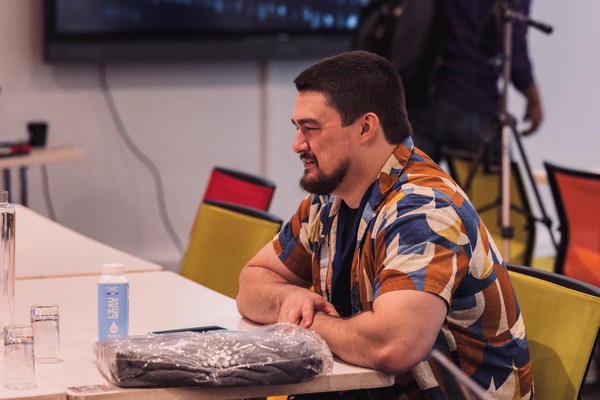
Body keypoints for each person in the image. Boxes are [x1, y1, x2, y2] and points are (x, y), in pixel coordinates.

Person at [236, 50, 533, 399]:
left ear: (366, 127)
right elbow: (251, 282)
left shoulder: (423, 209)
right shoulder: (330, 199)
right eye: (297, 128)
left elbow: (394, 345)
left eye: (310, 129)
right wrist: (291, 298)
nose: (297, 144)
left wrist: (309, 324)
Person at [407, 0, 543, 163]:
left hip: (428, 95)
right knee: (496, 178)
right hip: (477, 105)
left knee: (406, 175)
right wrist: (534, 99)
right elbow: (514, 51)